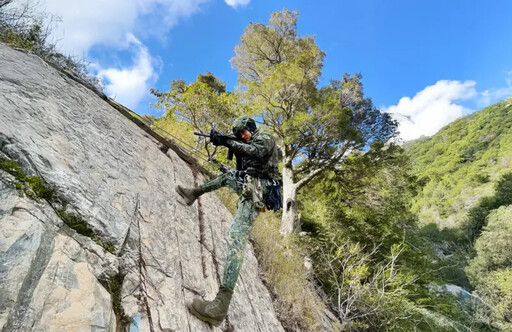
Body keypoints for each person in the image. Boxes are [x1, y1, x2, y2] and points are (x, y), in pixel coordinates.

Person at [176, 115, 281, 327]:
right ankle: (193, 193)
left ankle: (220, 307)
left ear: (251, 127)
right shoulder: (247, 143)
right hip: (252, 185)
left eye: (244, 131)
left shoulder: (266, 138)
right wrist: (229, 146)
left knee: (236, 238)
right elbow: (245, 165)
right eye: (239, 133)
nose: (243, 135)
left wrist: (228, 142)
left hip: (259, 192)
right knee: (227, 176)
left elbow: (256, 152)